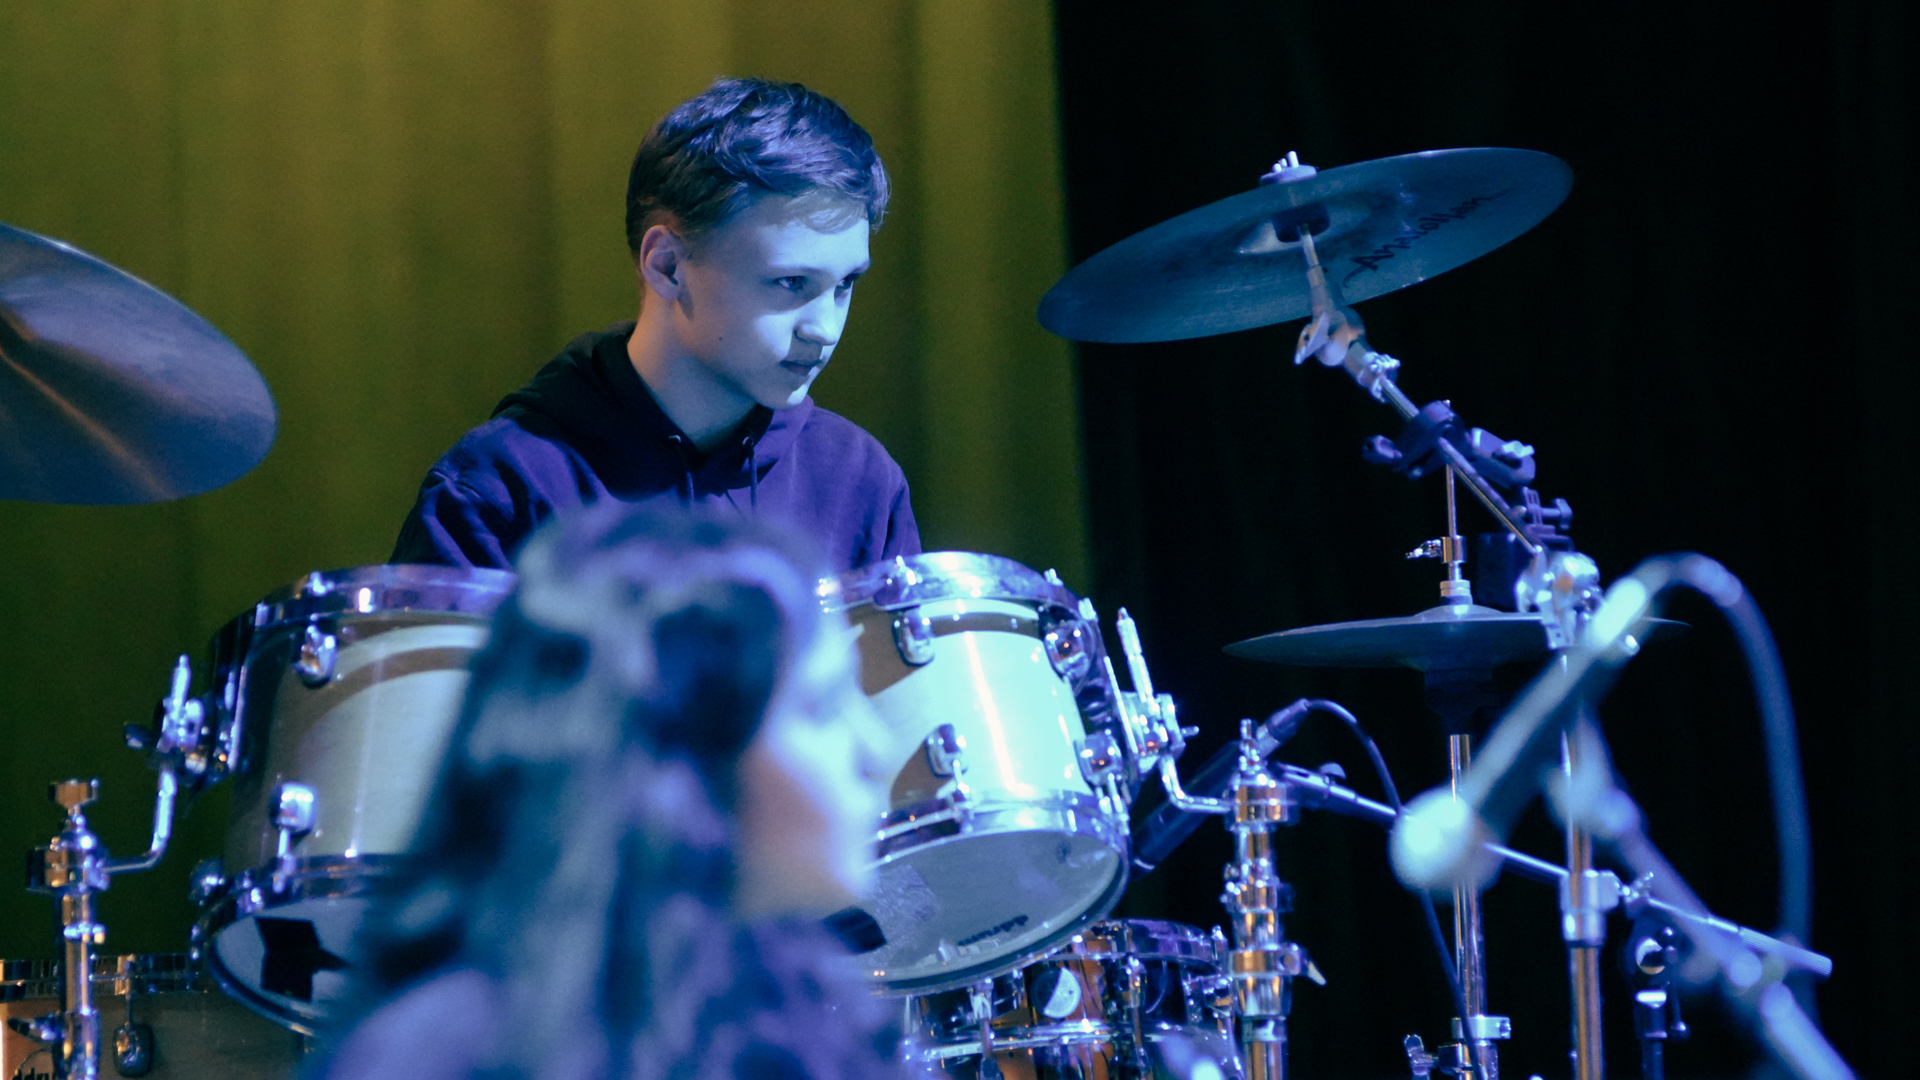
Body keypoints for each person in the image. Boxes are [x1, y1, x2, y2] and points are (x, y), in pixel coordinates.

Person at [322, 505, 904, 1080]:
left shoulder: (797, 1006)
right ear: (679, 758)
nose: (877, 749)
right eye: (822, 707)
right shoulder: (433, 1055)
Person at [391, 77, 919, 573]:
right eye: (791, 282)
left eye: (845, 285)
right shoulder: (499, 488)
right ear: (666, 265)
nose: (825, 329)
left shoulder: (860, 482)